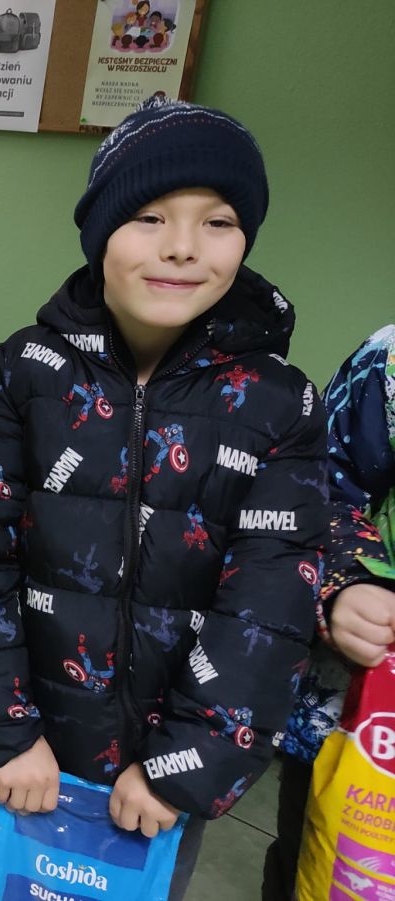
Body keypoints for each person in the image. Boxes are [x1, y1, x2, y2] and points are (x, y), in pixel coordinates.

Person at [0, 97, 329, 899]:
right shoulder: (20, 373)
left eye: (218, 222)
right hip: (33, 746)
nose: (182, 246)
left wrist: (183, 768)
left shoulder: (279, 403)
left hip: (163, 778)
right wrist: (7, 731)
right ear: (99, 231)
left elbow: (267, 612)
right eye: (149, 216)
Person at [264, 324, 395, 900]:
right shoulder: (389, 362)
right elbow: (318, 485)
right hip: (358, 714)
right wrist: (349, 582)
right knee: (313, 866)